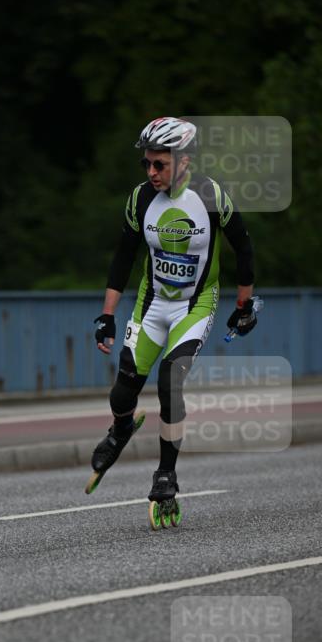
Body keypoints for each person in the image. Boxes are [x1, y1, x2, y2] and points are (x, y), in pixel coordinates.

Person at [90, 116, 257, 522]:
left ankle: (166, 474)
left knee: (170, 380)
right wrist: (107, 315)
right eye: (146, 163)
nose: (151, 172)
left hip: (194, 305)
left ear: (184, 161)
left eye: (159, 164)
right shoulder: (140, 198)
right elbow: (124, 256)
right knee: (123, 391)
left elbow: (243, 247)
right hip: (152, 304)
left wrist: (244, 305)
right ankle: (121, 428)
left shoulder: (210, 195)